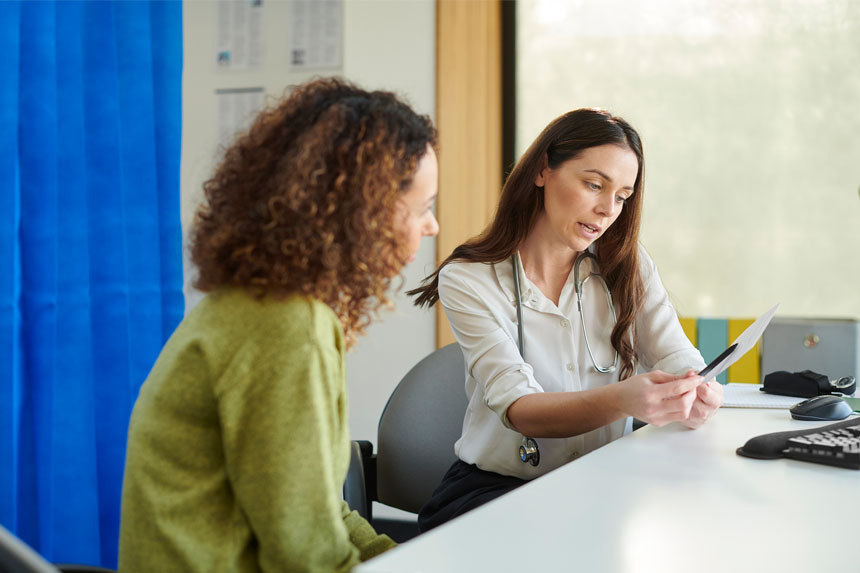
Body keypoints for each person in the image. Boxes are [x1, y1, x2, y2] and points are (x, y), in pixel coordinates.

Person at [118, 78, 439, 571]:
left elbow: (318, 509)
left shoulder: (259, 305)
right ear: (363, 211)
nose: (431, 225)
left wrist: (401, 562)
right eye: (421, 208)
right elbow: (304, 553)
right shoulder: (288, 328)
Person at [409, 108, 723, 531]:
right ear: (543, 171)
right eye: (594, 184)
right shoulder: (468, 278)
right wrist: (627, 400)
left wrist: (696, 391)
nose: (607, 209)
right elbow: (519, 408)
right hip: (498, 491)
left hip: (602, 484)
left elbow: (676, 356)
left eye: (622, 196)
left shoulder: (626, 265)